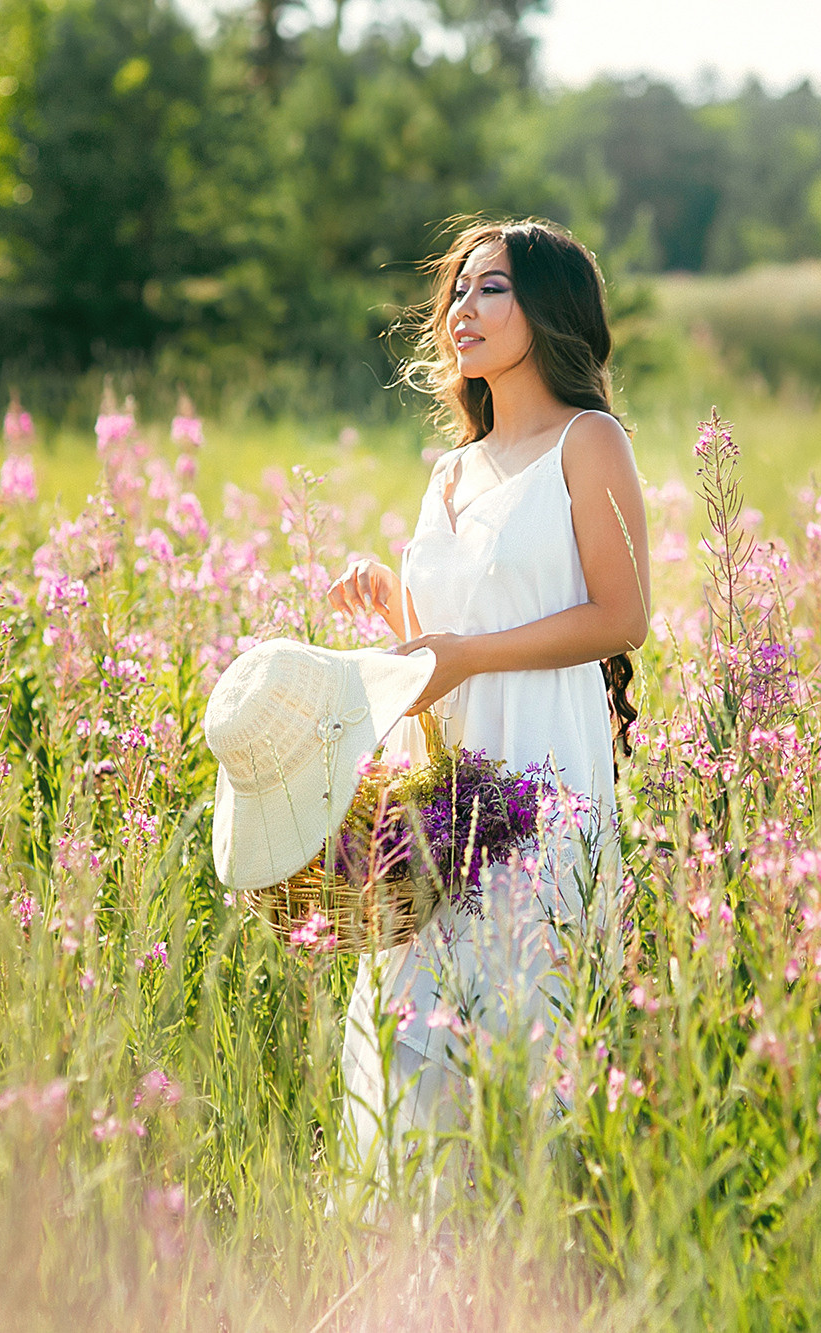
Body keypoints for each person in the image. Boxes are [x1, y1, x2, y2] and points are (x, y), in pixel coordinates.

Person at [325, 217, 651, 1190]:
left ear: (547, 307)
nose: (461, 311)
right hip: (451, 788)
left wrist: (461, 652)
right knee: (415, 1030)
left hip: (544, 771)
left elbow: (621, 616)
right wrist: (389, 607)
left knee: (524, 1029)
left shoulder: (586, 443)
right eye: (456, 292)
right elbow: (438, 651)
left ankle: (537, 1258)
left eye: (490, 290)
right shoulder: (449, 472)